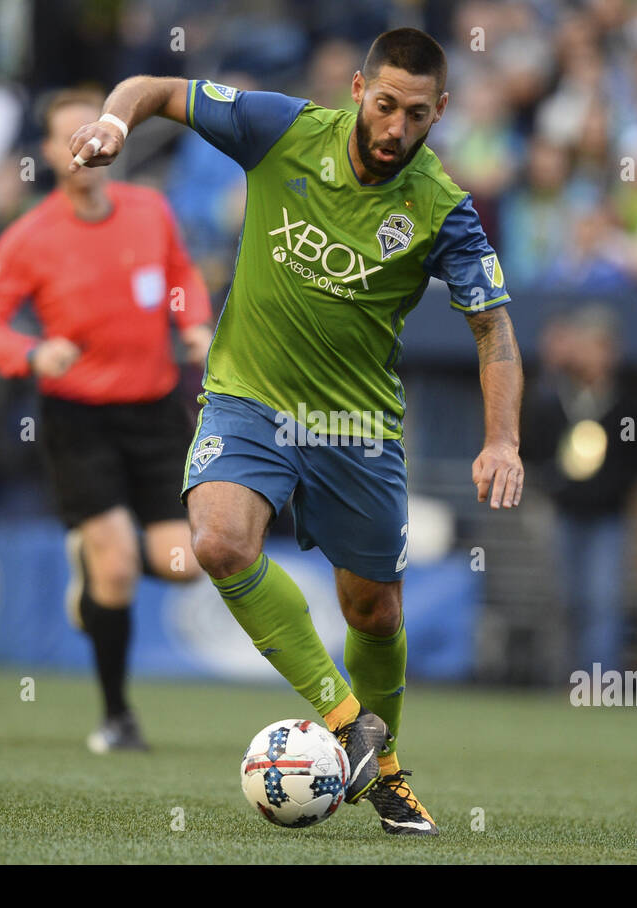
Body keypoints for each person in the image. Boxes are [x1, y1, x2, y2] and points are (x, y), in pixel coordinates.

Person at [69, 27, 524, 835]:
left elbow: (493, 329)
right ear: (357, 90)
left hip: (356, 425)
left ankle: (382, 772)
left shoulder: (444, 209)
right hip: (248, 395)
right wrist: (113, 121)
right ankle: (356, 731)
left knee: (375, 610)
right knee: (216, 541)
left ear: (440, 112)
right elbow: (157, 88)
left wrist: (503, 439)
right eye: (384, 105)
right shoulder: (280, 128)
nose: (395, 128)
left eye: (416, 114)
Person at [0, 89, 212, 753]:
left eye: (94, 134)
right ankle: (117, 716)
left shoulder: (151, 211)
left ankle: (93, 567)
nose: (86, 149)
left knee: (184, 562)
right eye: (69, 138)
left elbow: (182, 275)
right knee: (119, 565)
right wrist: (31, 352)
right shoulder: (29, 237)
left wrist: (193, 324)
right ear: (47, 153)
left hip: (156, 410)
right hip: (79, 418)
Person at [522, 306, 637, 674]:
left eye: (601, 346)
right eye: (586, 345)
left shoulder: (627, 403)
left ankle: (598, 678)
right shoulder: (554, 397)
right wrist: (553, 483)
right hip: (564, 513)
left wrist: (618, 486)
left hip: (608, 517)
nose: (592, 355)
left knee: (604, 599)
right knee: (563, 598)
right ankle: (561, 675)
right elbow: (533, 448)